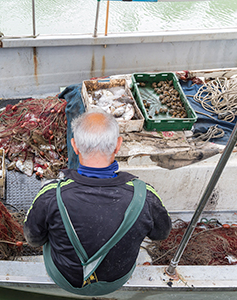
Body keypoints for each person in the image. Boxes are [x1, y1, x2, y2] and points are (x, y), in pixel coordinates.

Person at [23, 108, 171, 296]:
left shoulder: (51, 195)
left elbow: (34, 240)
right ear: (118, 145)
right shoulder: (145, 196)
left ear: (75, 146)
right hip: (116, 280)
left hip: (65, 278)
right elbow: (161, 234)